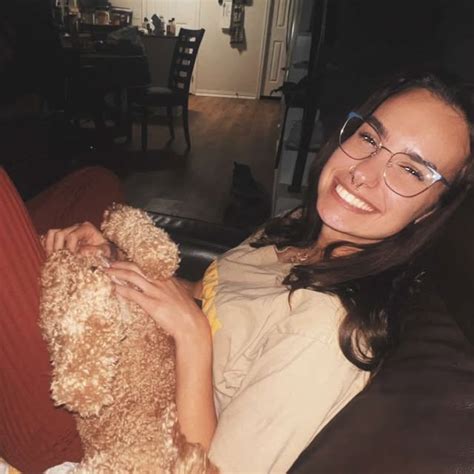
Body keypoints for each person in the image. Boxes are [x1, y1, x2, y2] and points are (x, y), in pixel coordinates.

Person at [2, 73, 473, 473]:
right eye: (369, 138)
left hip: (98, 424)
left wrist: (192, 337)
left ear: (432, 212)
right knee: (95, 181)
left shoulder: (324, 332)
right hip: (125, 349)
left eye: (411, 171)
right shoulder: (297, 228)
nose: (363, 174)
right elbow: (209, 294)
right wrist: (113, 260)